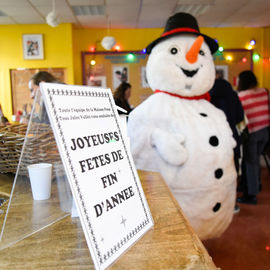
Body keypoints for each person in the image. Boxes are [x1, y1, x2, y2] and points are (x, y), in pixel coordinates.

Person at [209, 70, 245, 213]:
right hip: (231, 139)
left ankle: (215, 207)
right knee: (231, 174)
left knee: (213, 175)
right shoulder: (233, 95)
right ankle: (232, 205)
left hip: (212, 141)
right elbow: (239, 118)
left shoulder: (207, 96)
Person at [237, 70, 270, 204]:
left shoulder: (242, 96)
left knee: (251, 163)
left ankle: (251, 195)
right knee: (254, 161)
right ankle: (256, 185)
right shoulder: (264, 91)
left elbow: (240, 117)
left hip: (253, 132)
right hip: (265, 132)